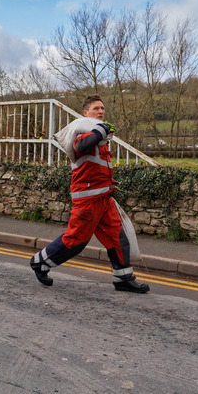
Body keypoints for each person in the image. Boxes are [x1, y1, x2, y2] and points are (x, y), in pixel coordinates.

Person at [30, 95, 150, 293]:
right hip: (87, 202)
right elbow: (81, 146)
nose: (101, 112)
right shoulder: (80, 133)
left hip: (104, 199)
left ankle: (123, 278)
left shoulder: (101, 138)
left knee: (119, 239)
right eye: (96, 109)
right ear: (85, 114)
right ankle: (39, 262)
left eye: (102, 108)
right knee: (75, 241)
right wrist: (100, 130)